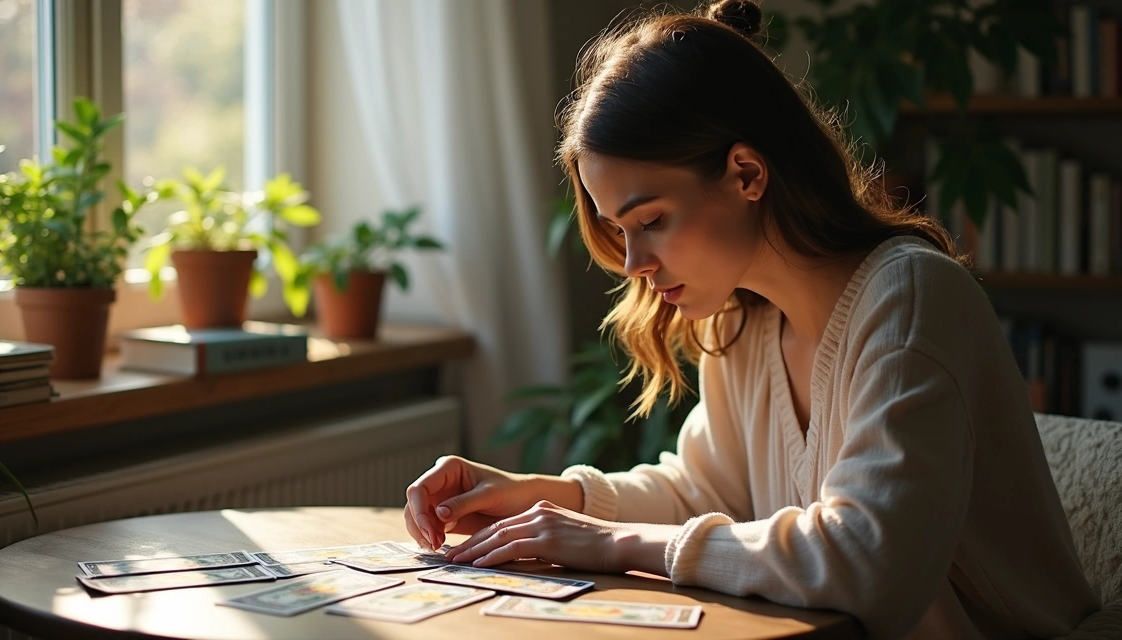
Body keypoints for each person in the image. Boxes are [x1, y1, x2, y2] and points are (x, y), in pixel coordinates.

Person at [402, 1, 1101, 637]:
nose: (633, 262)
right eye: (620, 230)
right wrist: (546, 497)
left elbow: (870, 566)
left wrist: (611, 542)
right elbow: (707, 494)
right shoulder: (742, 323)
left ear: (746, 174)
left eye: (650, 221)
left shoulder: (912, 299)